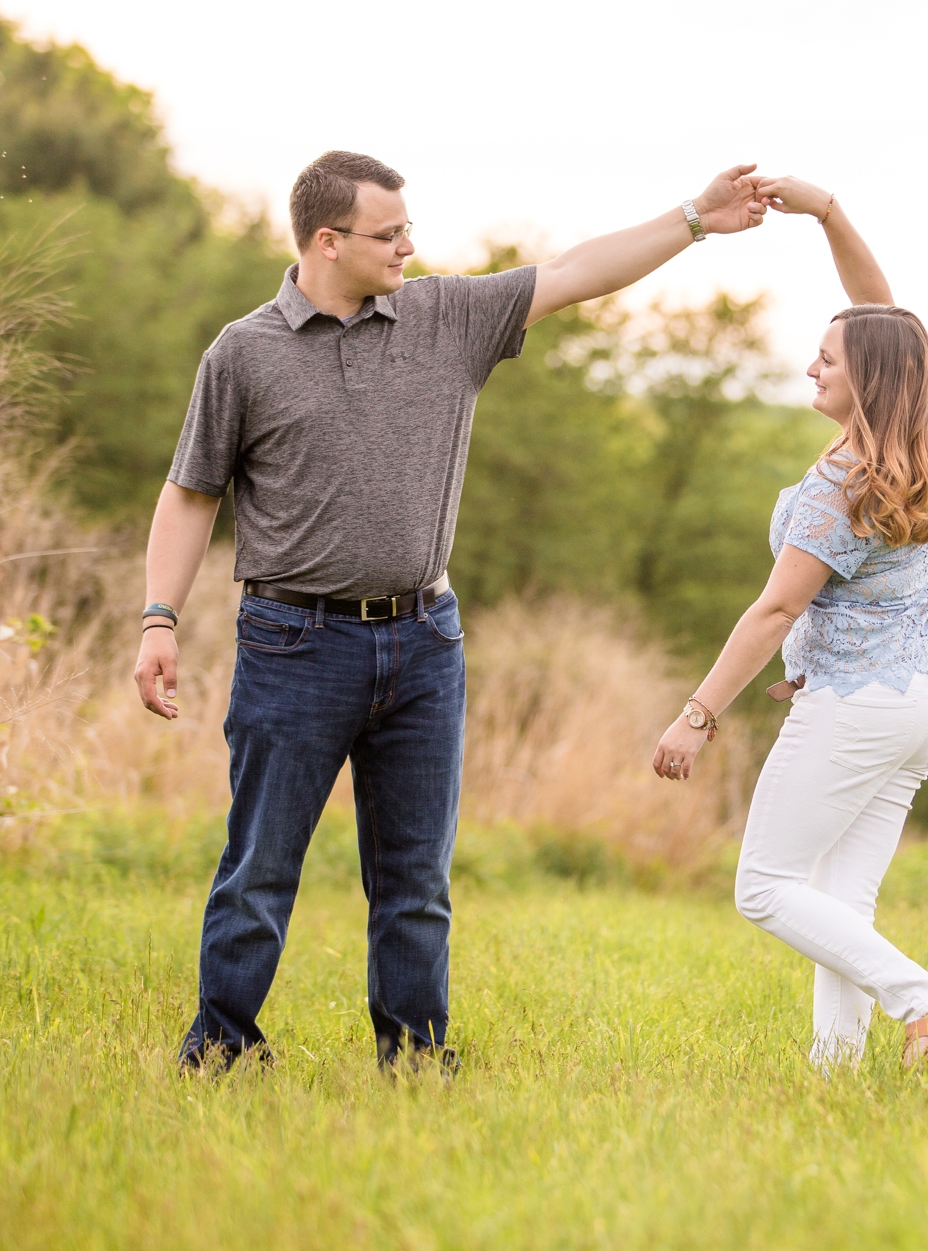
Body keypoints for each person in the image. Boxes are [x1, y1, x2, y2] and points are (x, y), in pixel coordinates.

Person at [136, 150, 769, 1070]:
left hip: (425, 642)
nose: (408, 246)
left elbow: (580, 272)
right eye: (388, 233)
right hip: (292, 643)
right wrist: (160, 616)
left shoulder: (447, 318)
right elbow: (191, 493)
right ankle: (223, 1046)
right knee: (261, 867)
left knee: (415, 879)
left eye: (408, 228)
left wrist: (695, 218)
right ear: (326, 241)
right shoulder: (244, 353)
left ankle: (416, 1055)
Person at [650, 176, 928, 1070]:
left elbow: (776, 607)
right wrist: (827, 213)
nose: (812, 367)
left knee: (764, 886)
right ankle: (835, 1072)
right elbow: (889, 322)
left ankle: (923, 997)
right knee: (839, 898)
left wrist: (699, 712)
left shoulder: (843, 484)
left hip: (854, 708)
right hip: (916, 707)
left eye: (827, 359)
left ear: (866, 376)